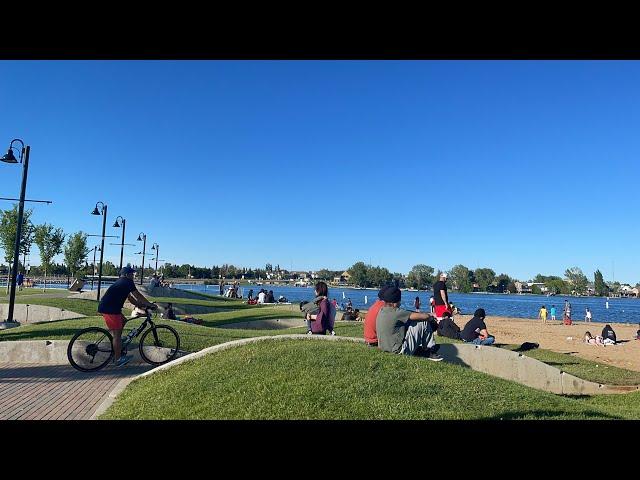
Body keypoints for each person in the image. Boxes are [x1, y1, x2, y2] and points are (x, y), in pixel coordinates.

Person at [97, 266, 157, 366]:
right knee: (116, 334)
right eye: (131, 274)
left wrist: (141, 305)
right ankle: (118, 359)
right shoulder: (127, 282)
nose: (133, 276)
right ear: (126, 275)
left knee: (124, 320)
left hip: (110, 307)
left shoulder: (121, 282)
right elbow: (138, 295)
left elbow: (130, 298)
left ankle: (118, 341)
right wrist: (149, 304)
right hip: (111, 309)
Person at [376, 286, 442, 360]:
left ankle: (422, 349)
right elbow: (425, 316)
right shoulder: (396, 312)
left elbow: (407, 314)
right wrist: (431, 318)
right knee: (423, 322)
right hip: (398, 351)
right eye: (399, 301)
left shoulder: (381, 310)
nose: (400, 304)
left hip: (383, 348)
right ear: (395, 302)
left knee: (410, 323)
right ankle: (429, 349)